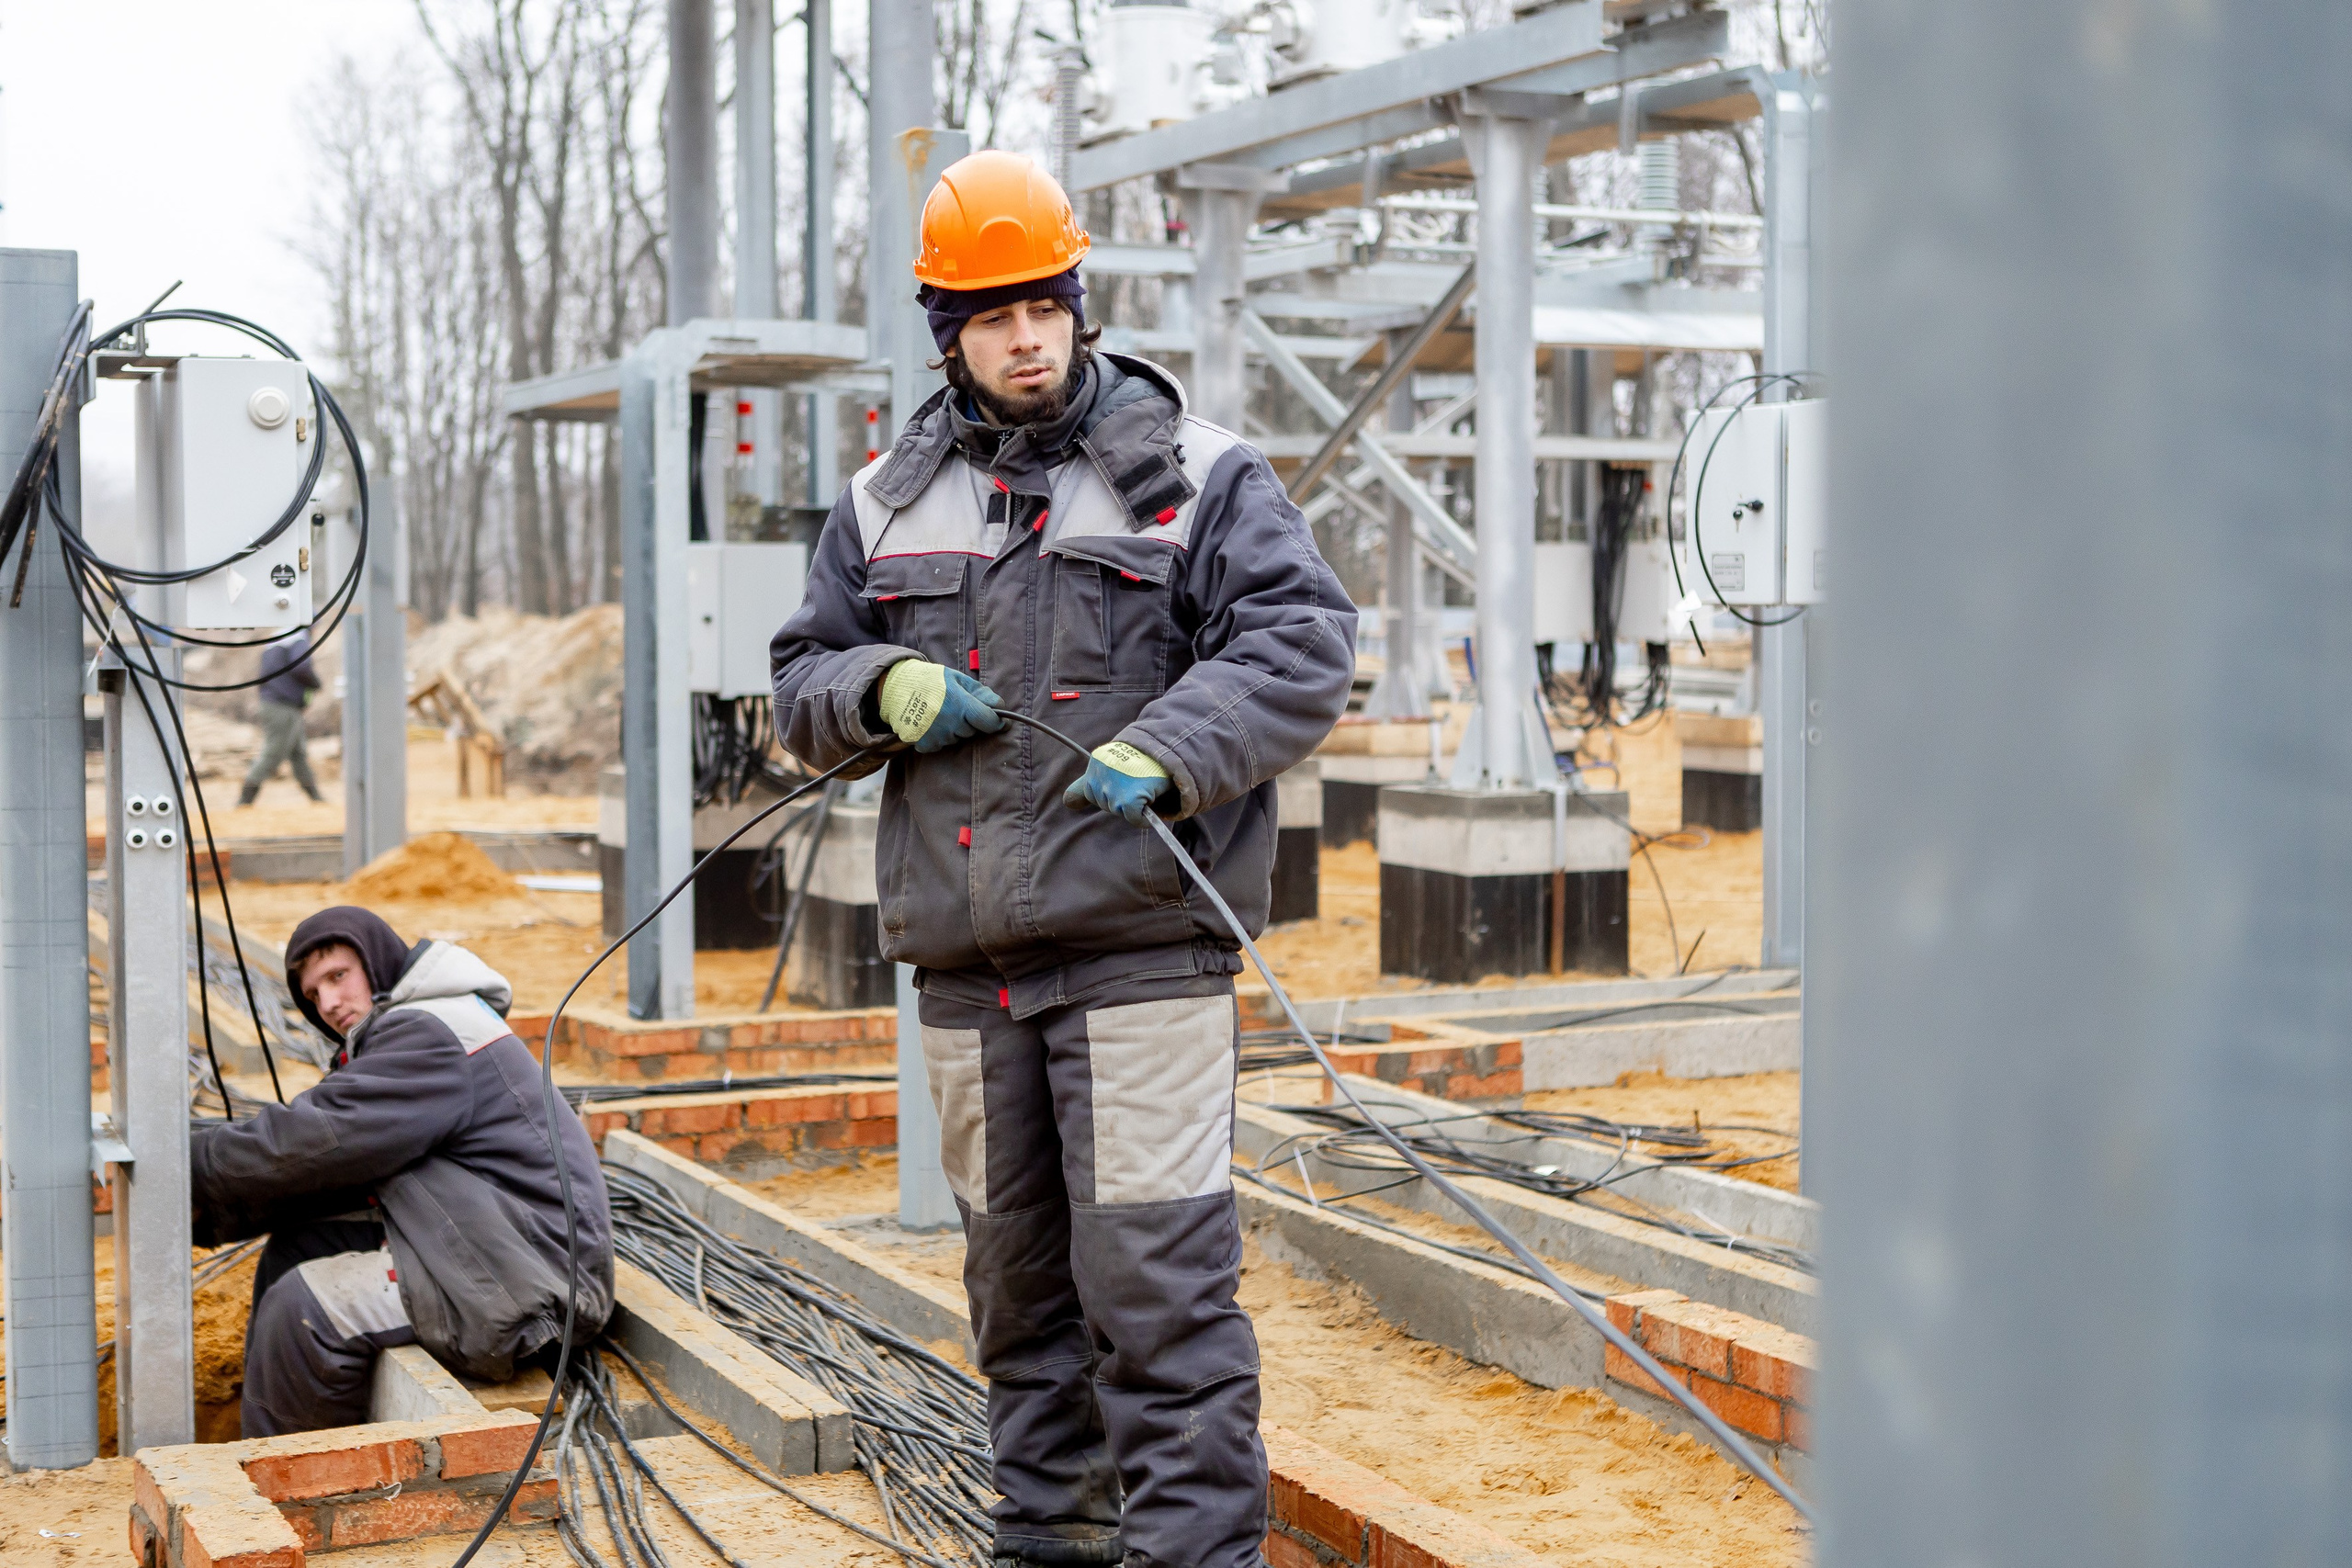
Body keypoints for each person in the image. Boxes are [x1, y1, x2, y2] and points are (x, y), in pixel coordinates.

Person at [769, 151, 1357, 1568]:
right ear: (948, 333)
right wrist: (878, 687)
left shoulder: (1198, 476)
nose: (1026, 337)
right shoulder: (884, 502)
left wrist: (1173, 744)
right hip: (972, 973)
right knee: (1020, 1303)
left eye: (1044, 306)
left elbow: (1302, 641)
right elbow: (798, 679)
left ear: (1079, 306)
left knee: (1157, 1296)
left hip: (1140, 954)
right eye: (993, 316)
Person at [189, 906, 614, 1437]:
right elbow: (333, 1168)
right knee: (296, 1249)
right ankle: (266, 1443)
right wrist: (206, 1211)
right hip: (493, 1234)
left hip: (533, 1277)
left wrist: (191, 1163)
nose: (328, 1004)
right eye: (314, 994)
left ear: (377, 961)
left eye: (338, 976)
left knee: (304, 1309)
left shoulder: (429, 1034)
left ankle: (286, 1473)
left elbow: (325, 1137)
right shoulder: (420, 1023)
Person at [240, 630, 323, 805]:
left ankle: (316, 798)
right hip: (282, 706)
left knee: (298, 753)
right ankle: (245, 799)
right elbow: (302, 667)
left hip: (277, 704)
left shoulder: (277, 641)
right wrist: (315, 683)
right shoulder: (298, 640)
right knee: (273, 752)